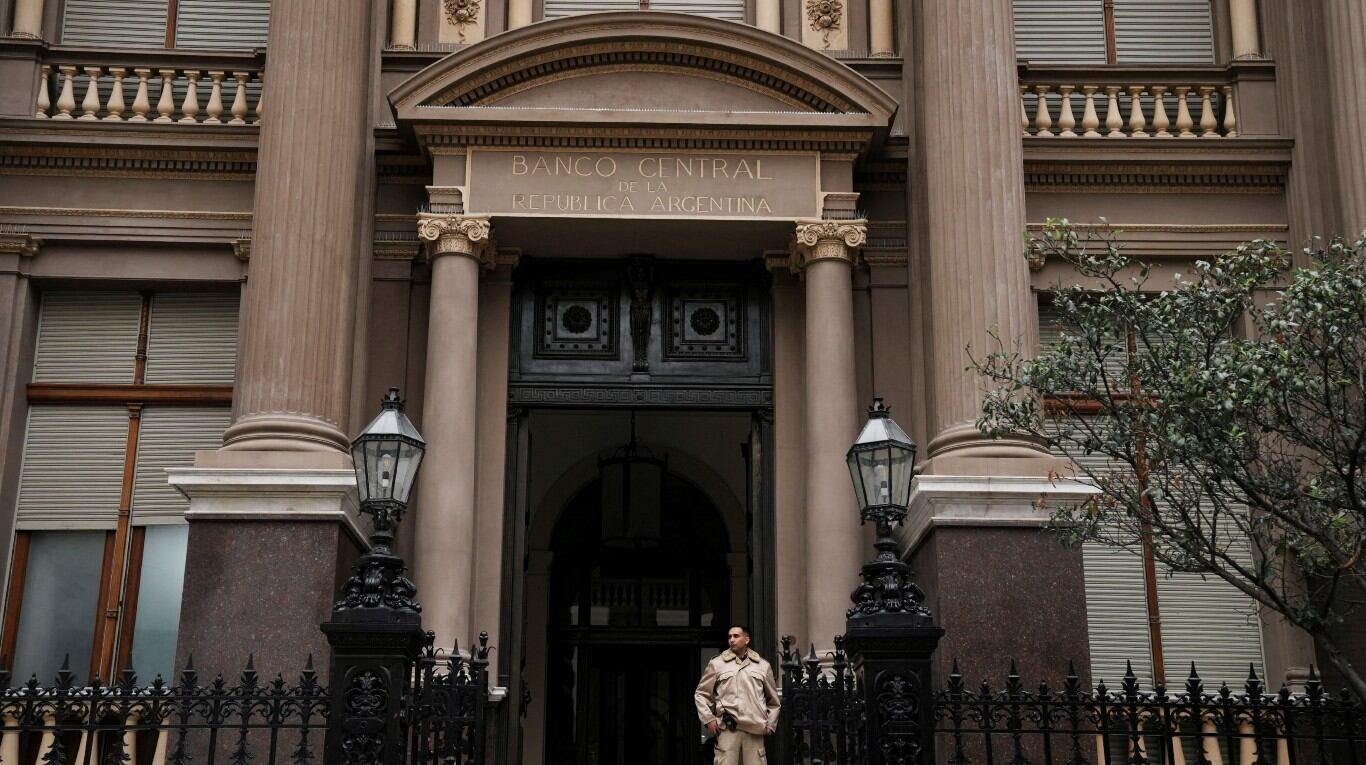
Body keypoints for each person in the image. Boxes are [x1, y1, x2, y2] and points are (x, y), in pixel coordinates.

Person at [694, 625, 781, 765]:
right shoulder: (717, 664)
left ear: (747, 639)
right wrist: (708, 719)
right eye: (729, 637)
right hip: (728, 730)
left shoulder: (763, 665)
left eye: (736, 636)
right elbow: (701, 694)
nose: (731, 640)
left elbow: (774, 701)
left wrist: (770, 724)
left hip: (755, 729)